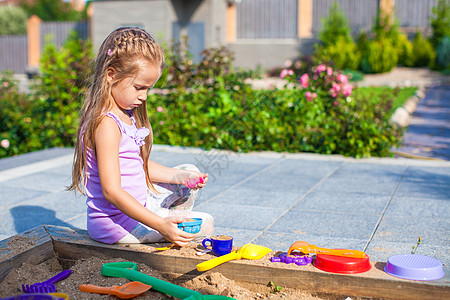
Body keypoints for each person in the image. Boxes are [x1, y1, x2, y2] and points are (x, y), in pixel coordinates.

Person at [68, 27, 214, 246]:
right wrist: (160, 225)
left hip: (136, 209)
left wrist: (182, 176)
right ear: (111, 75)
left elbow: (136, 165)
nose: (144, 96)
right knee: (206, 223)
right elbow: (112, 191)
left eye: (148, 89)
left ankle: (166, 222)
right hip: (115, 225)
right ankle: (166, 224)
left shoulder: (124, 114)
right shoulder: (106, 124)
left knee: (188, 173)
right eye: (139, 87)